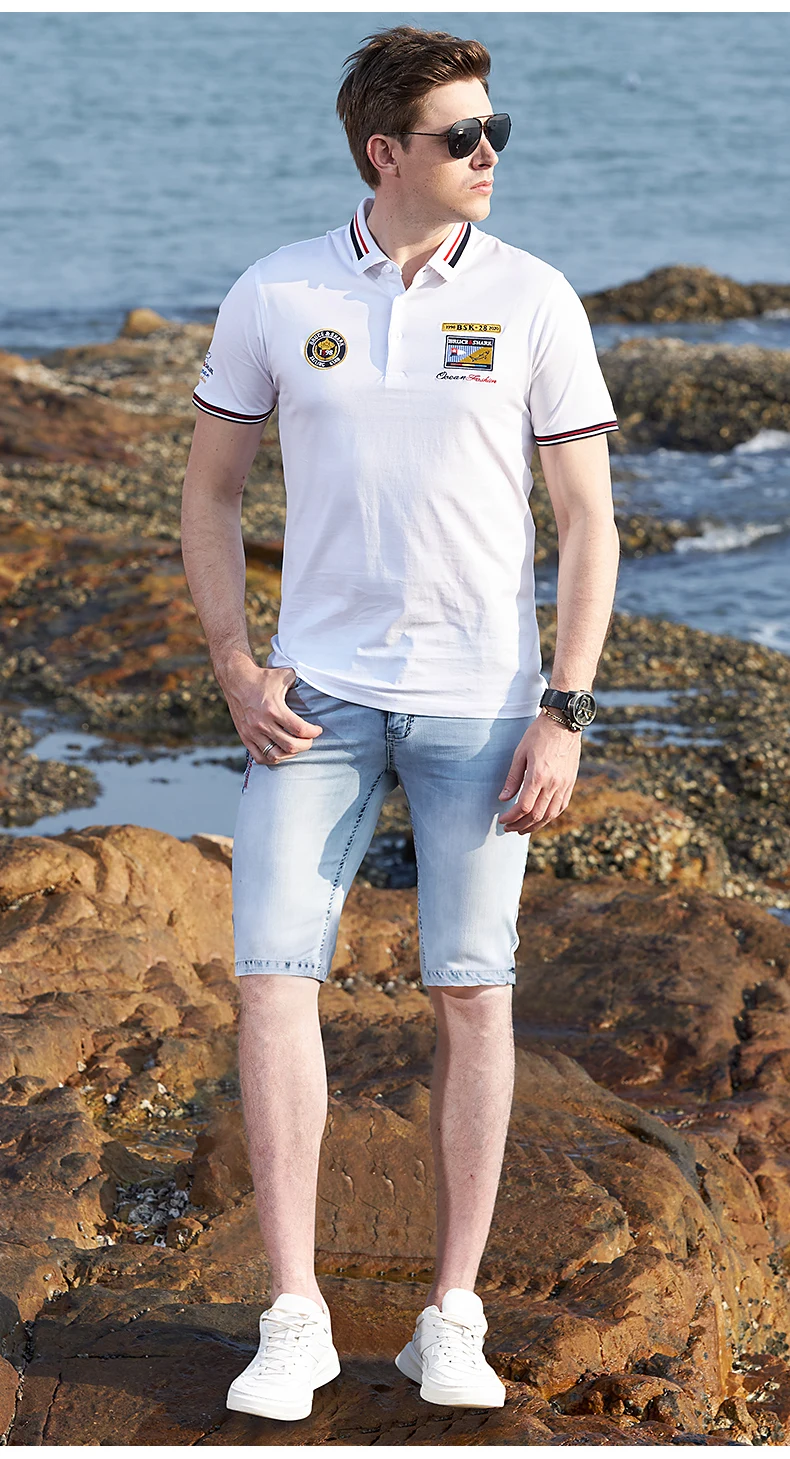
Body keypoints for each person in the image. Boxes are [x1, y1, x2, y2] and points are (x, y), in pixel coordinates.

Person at [180, 22, 620, 1424]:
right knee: (271, 979)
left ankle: (451, 1315)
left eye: (497, 130)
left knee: (472, 992)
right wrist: (237, 666)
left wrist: (563, 709)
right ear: (385, 153)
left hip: (483, 705)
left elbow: (588, 522)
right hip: (312, 704)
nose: (489, 153)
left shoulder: (535, 298)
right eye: (461, 135)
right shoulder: (277, 290)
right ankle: (294, 1316)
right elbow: (208, 494)